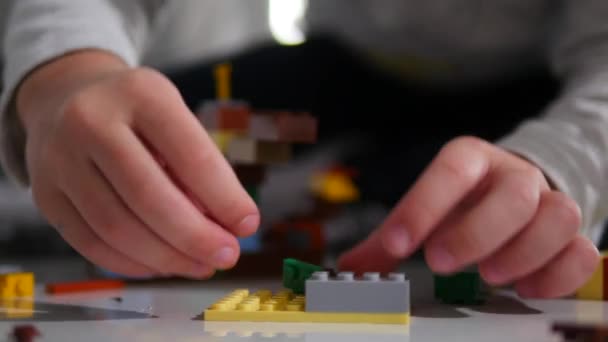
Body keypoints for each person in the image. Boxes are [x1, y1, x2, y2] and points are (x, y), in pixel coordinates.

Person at [1, 0, 605, 299]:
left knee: (440, 201)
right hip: (341, 65)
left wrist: (557, 166)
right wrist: (65, 77)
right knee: (151, 121)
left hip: (540, 96)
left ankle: (355, 203)